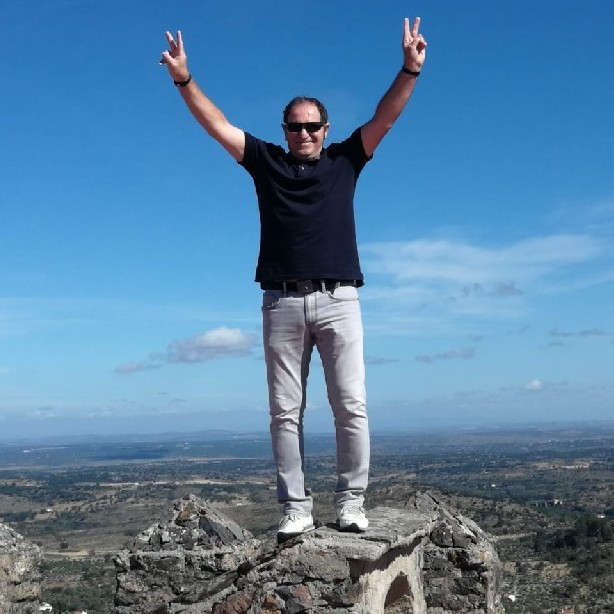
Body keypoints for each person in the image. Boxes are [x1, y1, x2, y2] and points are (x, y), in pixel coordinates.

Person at [160, 17, 427, 541]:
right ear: (284, 130)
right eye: (295, 127)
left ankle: (351, 503)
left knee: (351, 407)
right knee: (285, 412)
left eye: (312, 126)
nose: (304, 134)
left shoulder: (346, 160)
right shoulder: (266, 162)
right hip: (280, 302)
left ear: (326, 129)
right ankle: (296, 508)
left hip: (339, 297)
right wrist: (183, 79)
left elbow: (386, 118)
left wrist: (410, 70)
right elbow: (218, 125)